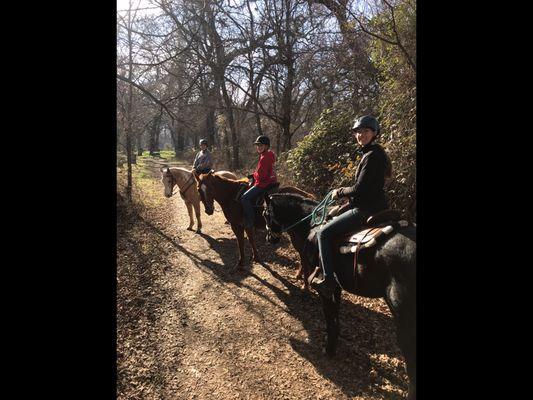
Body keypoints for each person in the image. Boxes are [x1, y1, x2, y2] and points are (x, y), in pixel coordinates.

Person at [313, 115, 391, 299]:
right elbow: (366, 189)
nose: (360, 134)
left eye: (365, 131)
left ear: (374, 133)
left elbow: (360, 188)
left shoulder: (371, 156)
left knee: (323, 233)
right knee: (333, 216)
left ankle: (328, 280)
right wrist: (344, 204)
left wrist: (339, 192)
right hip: (373, 204)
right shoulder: (373, 153)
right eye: (358, 132)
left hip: (366, 209)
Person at [241, 135, 277, 229]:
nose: (258, 147)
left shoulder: (264, 158)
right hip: (271, 181)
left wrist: (254, 175)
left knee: (244, 198)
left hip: (263, 184)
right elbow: (263, 171)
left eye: (260, 145)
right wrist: (255, 174)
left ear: (266, 146)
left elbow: (261, 176)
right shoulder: (269, 154)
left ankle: (251, 220)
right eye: (257, 145)